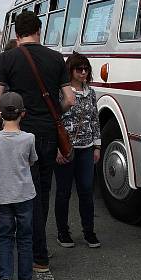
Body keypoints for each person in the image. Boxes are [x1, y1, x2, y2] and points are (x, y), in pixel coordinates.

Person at [0, 10, 75, 273]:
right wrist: (53, 115)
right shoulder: (55, 58)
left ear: (17, 33)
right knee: (42, 191)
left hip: (17, 133)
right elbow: (70, 99)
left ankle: (22, 245)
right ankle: (39, 254)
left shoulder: (7, 58)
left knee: (18, 189)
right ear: (39, 30)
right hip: (48, 132)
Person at [0, 92, 38, 280]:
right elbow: (31, 162)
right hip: (25, 194)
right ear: (22, 114)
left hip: (3, 195)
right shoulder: (29, 138)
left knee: (5, 238)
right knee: (25, 238)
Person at [54, 53, 101, 249]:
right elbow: (55, 119)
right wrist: (57, 148)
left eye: (86, 69)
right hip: (66, 148)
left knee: (86, 190)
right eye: (79, 69)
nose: (83, 72)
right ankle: (63, 232)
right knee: (64, 192)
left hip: (87, 148)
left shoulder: (91, 93)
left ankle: (89, 231)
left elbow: (95, 119)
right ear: (70, 71)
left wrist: (97, 145)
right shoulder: (61, 92)